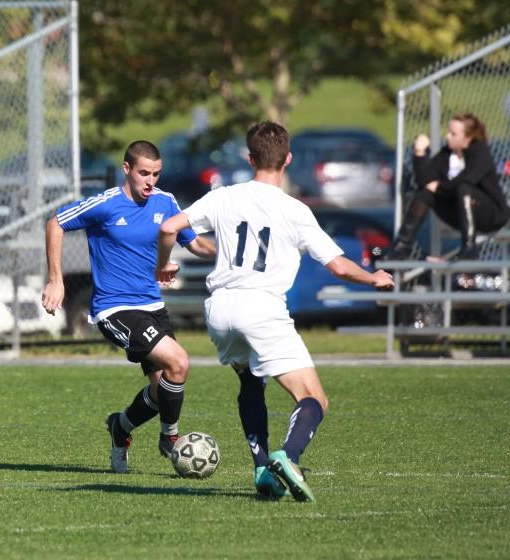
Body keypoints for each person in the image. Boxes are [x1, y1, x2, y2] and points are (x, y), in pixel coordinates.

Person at [155, 121, 394, 501]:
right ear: (288, 160)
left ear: (250, 159)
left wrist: (162, 266)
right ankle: (289, 456)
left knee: (251, 382)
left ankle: (262, 468)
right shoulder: (294, 209)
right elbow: (337, 265)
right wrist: (373, 277)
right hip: (261, 307)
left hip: (219, 309)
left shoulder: (224, 196)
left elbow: (169, 227)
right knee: (313, 398)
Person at [41, 140, 215, 474]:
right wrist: (56, 280)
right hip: (114, 308)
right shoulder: (107, 204)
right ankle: (171, 438)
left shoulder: (166, 202)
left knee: (163, 384)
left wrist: (228, 254)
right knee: (179, 361)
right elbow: (55, 224)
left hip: (153, 306)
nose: (151, 181)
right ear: (127, 169)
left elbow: (193, 242)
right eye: (144, 173)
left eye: (157, 174)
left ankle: (121, 427)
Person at [388, 113, 510, 261]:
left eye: (453, 134)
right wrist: (419, 153)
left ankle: (469, 250)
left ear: (468, 138)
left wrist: (440, 187)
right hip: (460, 214)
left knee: (464, 188)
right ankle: (402, 247)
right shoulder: (446, 155)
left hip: (491, 214)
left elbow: (469, 178)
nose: (447, 136)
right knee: (424, 195)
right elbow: (426, 184)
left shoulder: (480, 151)